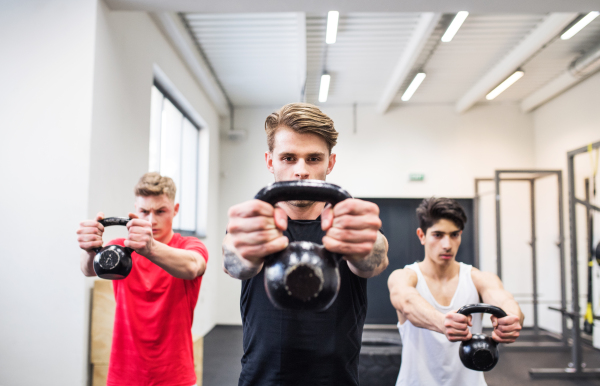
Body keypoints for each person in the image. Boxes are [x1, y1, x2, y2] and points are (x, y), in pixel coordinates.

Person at [222, 103, 389, 385]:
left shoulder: (348, 226)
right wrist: (243, 254)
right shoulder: (255, 227)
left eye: (313, 158)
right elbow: (234, 262)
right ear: (270, 161)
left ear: (330, 163)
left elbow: (374, 258)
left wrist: (367, 247)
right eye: (288, 157)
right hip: (262, 380)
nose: (301, 170)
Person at [77, 172, 208, 386]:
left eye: (160, 211)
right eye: (144, 211)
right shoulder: (120, 248)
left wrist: (151, 248)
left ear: (175, 210)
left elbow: (193, 265)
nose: (151, 220)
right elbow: (87, 269)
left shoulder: (189, 245)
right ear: (135, 210)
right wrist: (90, 248)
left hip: (175, 375)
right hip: (124, 374)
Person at [388, 197, 524, 386]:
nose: (447, 245)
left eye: (454, 235)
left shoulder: (478, 278)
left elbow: (504, 300)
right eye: (438, 235)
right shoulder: (404, 276)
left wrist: (511, 319)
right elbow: (407, 302)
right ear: (421, 235)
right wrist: (442, 322)